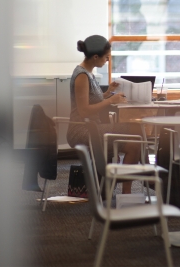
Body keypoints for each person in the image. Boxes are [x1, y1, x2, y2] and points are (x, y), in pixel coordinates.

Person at [66, 35, 140, 194]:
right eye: (106, 57)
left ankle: (126, 193)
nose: (107, 60)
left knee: (134, 143)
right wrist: (110, 100)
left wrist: (107, 93)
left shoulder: (88, 73)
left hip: (92, 127)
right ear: (95, 57)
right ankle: (126, 187)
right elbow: (84, 110)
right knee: (134, 129)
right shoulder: (81, 76)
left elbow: (92, 100)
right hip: (82, 130)